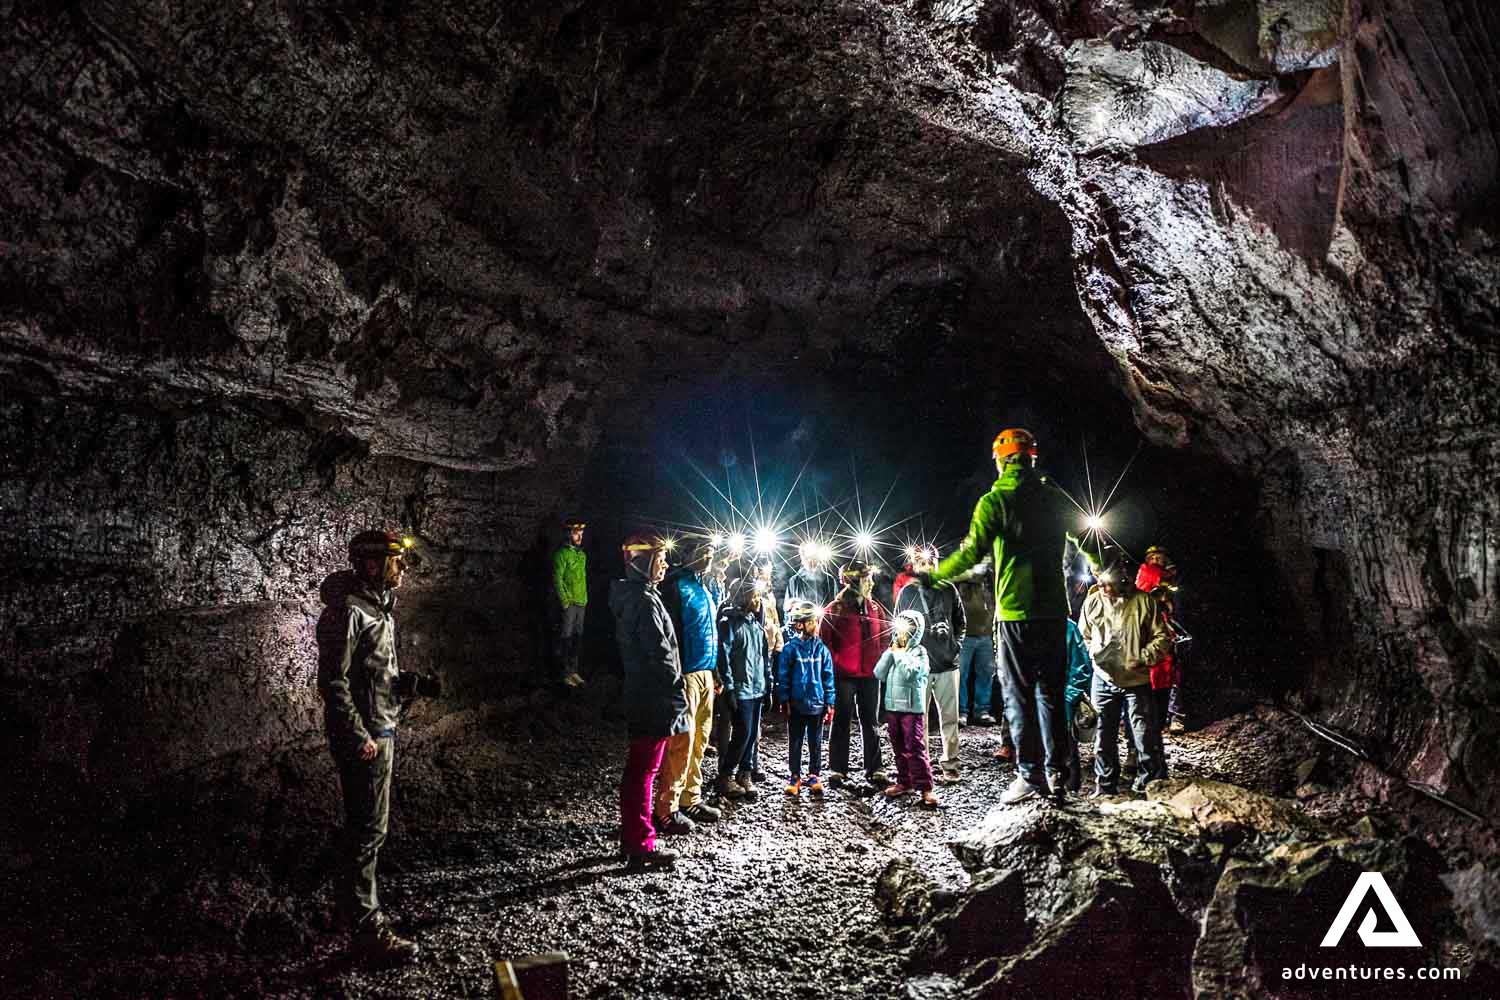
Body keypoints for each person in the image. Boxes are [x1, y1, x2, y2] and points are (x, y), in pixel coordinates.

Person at [923, 428, 1099, 805]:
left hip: (1016, 613)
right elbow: (1090, 541)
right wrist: (1109, 570)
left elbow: (971, 554)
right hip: (1054, 611)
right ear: (1032, 458)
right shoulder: (1055, 496)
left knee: (1019, 696)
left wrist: (935, 575)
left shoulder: (995, 500)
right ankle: (1057, 774)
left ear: (1001, 460)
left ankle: (1029, 774)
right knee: (1051, 694)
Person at [316, 529, 441, 964]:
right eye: (394, 560)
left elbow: (370, 675)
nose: (402, 567)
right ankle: (368, 933)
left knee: (366, 829)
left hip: (380, 725)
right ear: (371, 565)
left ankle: (348, 909)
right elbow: (333, 682)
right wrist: (358, 736)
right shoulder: (349, 612)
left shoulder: (377, 608)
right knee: (368, 832)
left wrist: (410, 685)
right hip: (368, 736)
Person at [609, 533, 691, 871]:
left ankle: (633, 837)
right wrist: (676, 692)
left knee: (641, 768)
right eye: (660, 558)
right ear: (644, 563)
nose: (666, 564)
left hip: (643, 694)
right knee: (644, 770)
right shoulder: (643, 601)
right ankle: (640, 844)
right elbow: (660, 655)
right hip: (653, 698)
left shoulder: (636, 597)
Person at [1079, 560, 1171, 795]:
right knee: (1103, 735)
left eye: (1107, 584)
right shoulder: (1093, 602)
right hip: (1103, 678)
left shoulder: (1144, 602)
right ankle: (1106, 785)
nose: (1102, 587)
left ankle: (1150, 785)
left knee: (1144, 735)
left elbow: (1161, 639)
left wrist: (1141, 657)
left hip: (1136, 680)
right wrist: (1094, 653)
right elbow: (1085, 635)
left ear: (1123, 582)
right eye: (1099, 582)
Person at [658, 541, 723, 826]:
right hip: (685, 674)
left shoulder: (703, 587)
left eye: (710, 551)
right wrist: (674, 675)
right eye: (701, 550)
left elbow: (710, 631)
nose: (708, 555)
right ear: (685, 555)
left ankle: (691, 798)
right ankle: (667, 808)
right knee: (682, 741)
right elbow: (669, 636)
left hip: (705, 672)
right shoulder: (675, 588)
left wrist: (716, 671)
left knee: (700, 739)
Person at [895, 545, 966, 784]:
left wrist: (955, 646)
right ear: (913, 565)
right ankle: (921, 768)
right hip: (919, 667)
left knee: (950, 718)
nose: (925, 566)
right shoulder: (907, 593)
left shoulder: (949, 589)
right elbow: (898, 628)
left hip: (947, 664)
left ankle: (951, 764)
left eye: (929, 561)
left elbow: (960, 622)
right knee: (918, 720)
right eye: (920, 562)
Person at [819, 561, 890, 787]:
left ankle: (875, 767)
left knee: (871, 720)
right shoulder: (836, 609)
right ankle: (838, 768)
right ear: (854, 581)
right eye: (866, 578)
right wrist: (837, 664)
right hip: (844, 676)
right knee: (841, 720)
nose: (871, 582)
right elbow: (825, 642)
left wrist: (879, 658)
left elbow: (886, 633)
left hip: (869, 674)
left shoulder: (875, 608)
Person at [715, 577, 772, 802]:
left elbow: (764, 658)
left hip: (756, 688)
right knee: (743, 732)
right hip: (740, 689)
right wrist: (728, 688)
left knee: (751, 735)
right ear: (743, 596)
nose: (758, 600)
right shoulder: (729, 623)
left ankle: (744, 773)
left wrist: (768, 685)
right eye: (754, 595)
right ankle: (726, 775)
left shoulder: (755, 625)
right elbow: (724, 656)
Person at [875, 610, 940, 808]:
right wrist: (890, 651)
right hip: (893, 707)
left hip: (912, 708)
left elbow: (910, 673)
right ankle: (904, 782)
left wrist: (899, 653)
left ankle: (926, 788)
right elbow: (879, 673)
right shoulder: (895, 649)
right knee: (898, 748)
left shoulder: (919, 653)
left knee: (915, 748)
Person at [778, 601, 836, 796]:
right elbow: (783, 677)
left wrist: (829, 702)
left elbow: (828, 676)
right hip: (796, 704)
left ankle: (814, 774)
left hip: (817, 704)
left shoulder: (822, 649)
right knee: (795, 740)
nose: (816, 625)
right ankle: (794, 776)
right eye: (812, 622)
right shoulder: (790, 650)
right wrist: (784, 699)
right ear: (800, 624)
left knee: (815, 741)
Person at [1136, 545, 1187, 734]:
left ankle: (1175, 716)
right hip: (1148, 630)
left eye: (1160, 557)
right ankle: (1150, 716)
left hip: (1169, 627)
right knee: (1151, 675)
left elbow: (1177, 600)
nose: (1156, 560)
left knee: (1174, 674)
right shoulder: (1145, 572)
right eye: (1153, 557)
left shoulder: (1172, 575)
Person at [954, 560, 998, 729]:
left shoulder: (989, 579)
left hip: (986, 634)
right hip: (966, 635)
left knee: (985, 673)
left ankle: (982, 711)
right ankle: (961, 712)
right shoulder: (961, 577)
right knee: (961, 674)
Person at [551, 517, 589, 688]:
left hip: (581, 602)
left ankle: (574, 671)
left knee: (577, 638)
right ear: (568, 535)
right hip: (570, 603)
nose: (580, 537)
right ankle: (564, 673)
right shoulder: (561, 555)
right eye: (576, 533)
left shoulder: (582, 555)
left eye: (581, 533)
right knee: (566, 638)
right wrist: (565, 601)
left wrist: (584, 599)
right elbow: (557, 579)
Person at [784, 540, 838, 616]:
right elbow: (787, 608)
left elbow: (834, 606)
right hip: (801, 623)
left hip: (823, 622)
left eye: (813, 556)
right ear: (802, 557)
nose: (811, 560)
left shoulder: (829, 580)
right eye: (807, 557)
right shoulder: (794, 581)